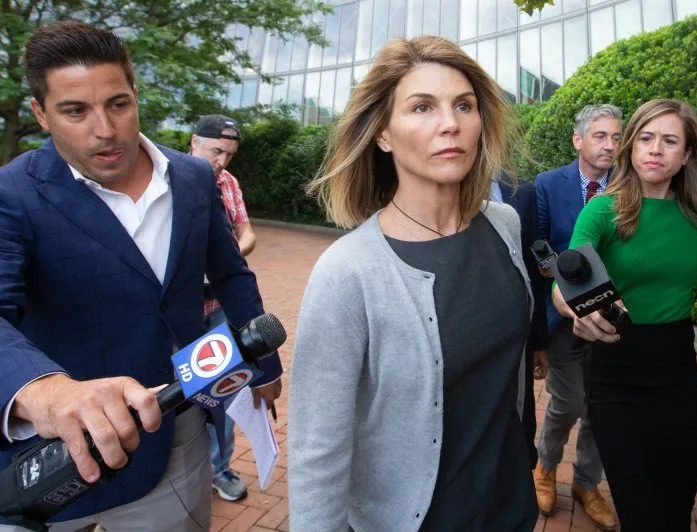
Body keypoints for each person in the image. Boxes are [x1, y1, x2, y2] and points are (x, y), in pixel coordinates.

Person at [0, 21, 281, 531]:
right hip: (54, 462)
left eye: (118, 104)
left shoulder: (194, 178)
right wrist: (46, 391)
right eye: (75, 111)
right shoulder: (12, 193)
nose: (104, 130)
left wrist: (267, 368)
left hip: (174, 434)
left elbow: (232, 274)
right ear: (41, 113)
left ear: (135, 94)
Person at [288, 36, 537, 530]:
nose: (451, 124)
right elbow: (318, 450)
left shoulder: (505, 225)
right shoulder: (348, 271)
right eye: (422, 107)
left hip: (510, 505)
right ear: (383, 134)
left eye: (464, 105)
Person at [553, 98, 697, 530]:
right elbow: (564, 282)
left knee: (677, 495)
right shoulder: (604, 210)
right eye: (645, 138)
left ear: (686, 156)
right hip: (615, 368)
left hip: (676, 370)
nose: (655, 149)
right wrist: (577, 312)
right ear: (631, 148)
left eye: (669, 141)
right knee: (640, 505)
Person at [532, 104, 622, 530]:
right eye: (601, 136)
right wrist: (570, 286)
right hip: (564, 317)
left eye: (616, 137)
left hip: (616, 320)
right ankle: (545, 466)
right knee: (568, 402)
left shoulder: (630, 187)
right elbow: (541, 249)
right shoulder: (549, 185)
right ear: (578, 139)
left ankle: (587, 483)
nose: (610, 145)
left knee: (603, 407)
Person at [189, 115, 268, 502]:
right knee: (170, 393)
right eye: (216, 150)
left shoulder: (228, 183)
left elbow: (246, 230)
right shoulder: (169, 178)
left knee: (222, 391)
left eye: (229, 154)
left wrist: (229, 254)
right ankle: (173, 476)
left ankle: (219, 469)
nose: (222, 161)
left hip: (219, 305)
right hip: (178, 312)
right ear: (194, 142)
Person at [491, 174, 550, 470]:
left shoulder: (522, 192)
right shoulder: (435, 184)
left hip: (516, 332)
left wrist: (539, 340)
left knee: (519, 418)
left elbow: (534, 268)